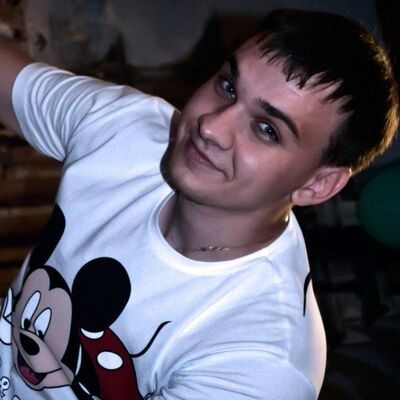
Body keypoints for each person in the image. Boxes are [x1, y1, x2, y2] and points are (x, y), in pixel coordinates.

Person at [0, 8, 398, 400]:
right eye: (228, 87)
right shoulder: (128, 128)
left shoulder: (263, 365)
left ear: (317, 184)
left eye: (266, 129)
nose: (211, 127)